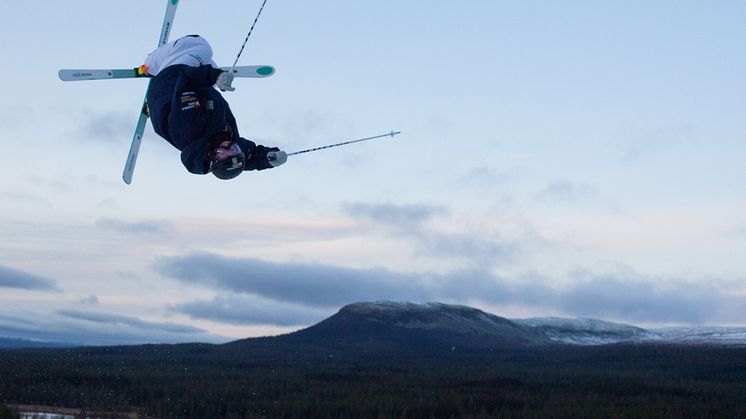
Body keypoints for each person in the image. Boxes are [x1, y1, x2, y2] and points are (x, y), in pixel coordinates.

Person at [142, 35, 287, 180]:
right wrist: (268, 158)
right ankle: (203, 68)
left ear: (213, 157)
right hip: (197, 95)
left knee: (201, 47)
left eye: (224, 151)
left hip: (170, 79)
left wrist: (215, 76)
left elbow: (187, 79)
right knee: (210, 65)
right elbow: (249, 155)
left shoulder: (189, 129)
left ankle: (151, 64)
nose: (229, 145)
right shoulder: (225, 143)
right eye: (235, 150)